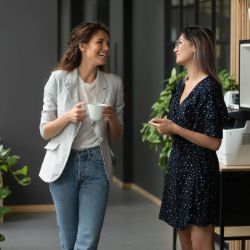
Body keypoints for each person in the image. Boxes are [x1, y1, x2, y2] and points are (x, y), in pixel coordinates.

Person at [39, 22, 124, 250]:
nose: (106, 47)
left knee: (88, 240)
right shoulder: (58, 79)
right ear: (83, 46)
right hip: (63, 165)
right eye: (100, 42)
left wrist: (111, 118)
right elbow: (45, 130)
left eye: (107, 43)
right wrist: (68, 117)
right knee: (69, 240)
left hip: (97, 164)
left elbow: (116, 135)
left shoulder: (114, 84)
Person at [149, 25, 228, 250]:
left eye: (179, 43)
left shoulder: (209, 88)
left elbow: (214, 142)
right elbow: (178, 126)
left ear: (194, 47)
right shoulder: (180, 85)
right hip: (178, 168)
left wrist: (175, 128)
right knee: (185, 244)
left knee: (201, 245)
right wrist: (165, 126)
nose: (175, 49)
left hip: (200, 173)